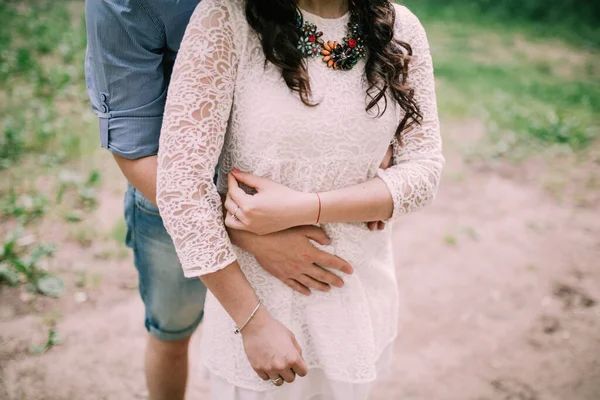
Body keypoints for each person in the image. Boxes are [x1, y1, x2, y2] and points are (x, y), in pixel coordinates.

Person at [84, 1, 391, 399]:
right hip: (165, 195)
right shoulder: (127, 5)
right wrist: (248, 232)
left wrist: (374, 147)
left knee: (304, 345)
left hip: (286, 200)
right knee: (171, 331)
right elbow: (135, 146)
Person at [156, 0, 444, 398]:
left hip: (356, 296)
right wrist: (252, 321)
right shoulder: (226, 19)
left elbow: (425, 169)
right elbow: (181, 184)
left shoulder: (401, 27)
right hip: (261, 305)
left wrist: (308, 207)